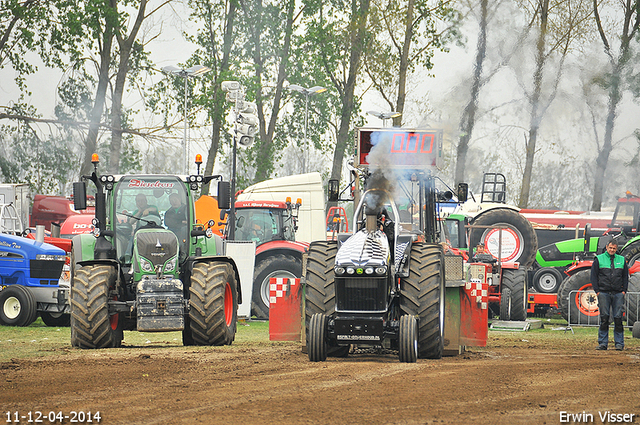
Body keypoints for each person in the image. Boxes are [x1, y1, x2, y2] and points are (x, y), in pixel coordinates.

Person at [591, 240, 629, 351]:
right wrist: (597, 291)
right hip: (603, 293)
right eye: (610, 248)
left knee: (618, 318)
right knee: (604, 318)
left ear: (616, 249)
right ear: (607, 247)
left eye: (614, 248)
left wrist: (624, 291)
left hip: (618, 293)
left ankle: (619, 344)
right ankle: (603, 343)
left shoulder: (621, 260)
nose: (612, 250)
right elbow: (593, 276)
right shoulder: (598, 259)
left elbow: (625, 277)